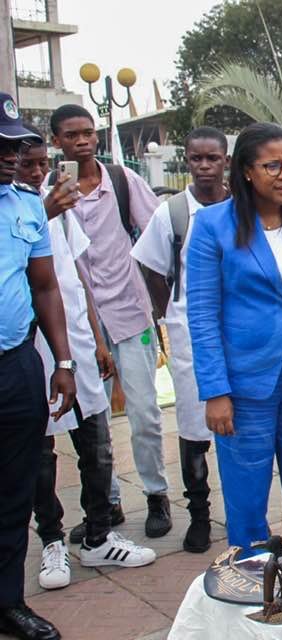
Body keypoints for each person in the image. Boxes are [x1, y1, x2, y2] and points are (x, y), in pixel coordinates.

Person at [18, 127, 154, 591]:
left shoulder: (58, 207)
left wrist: (96, 339)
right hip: (32, 350)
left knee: (95, 445)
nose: (37, 173)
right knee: (41, 451)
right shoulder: (19, 210)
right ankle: (53, 540)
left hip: (76, 343)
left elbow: (76, 277)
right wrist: (43, 209)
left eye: (40, 163)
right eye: (26, 165)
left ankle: (98, 535)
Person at [187, 122, 282, 552]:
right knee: (247, 500)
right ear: (247, 171)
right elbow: (202, 314)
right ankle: (250, 588)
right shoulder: (213, 225)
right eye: (273, 166)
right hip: (244, 384)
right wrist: (215, 391)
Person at [49, 104, 171, 538]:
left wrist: (163, 298)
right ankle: (107, 505)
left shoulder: (120, 181)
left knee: (144, 412)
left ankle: (157, 495)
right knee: (91, 427)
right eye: (71, 135)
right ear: (56, 140)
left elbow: (160, 227)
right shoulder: (48, 192)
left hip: (130, 314)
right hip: (80, 327)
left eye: (88, 133)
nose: (81, 141)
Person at [132, 126, 231, 553]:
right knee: (194, 428)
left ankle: (246, 512)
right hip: (191, 334)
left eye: (212, 158)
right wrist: (170, 311)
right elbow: (152, 267)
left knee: (243, 427)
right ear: (186, 161)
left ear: (226, 160)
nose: (204, 166)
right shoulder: (171, 212)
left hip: (241, 332)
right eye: (196, 159)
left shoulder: (243, 207)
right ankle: (199, 514)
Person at [0, 92, 75, 640]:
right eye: (2, 145)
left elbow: (45, 286)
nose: (12, 154)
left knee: (14, 489)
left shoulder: (26, 205)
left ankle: (7, 603)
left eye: (16, 144)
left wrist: (63, 361)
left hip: (15, 365)